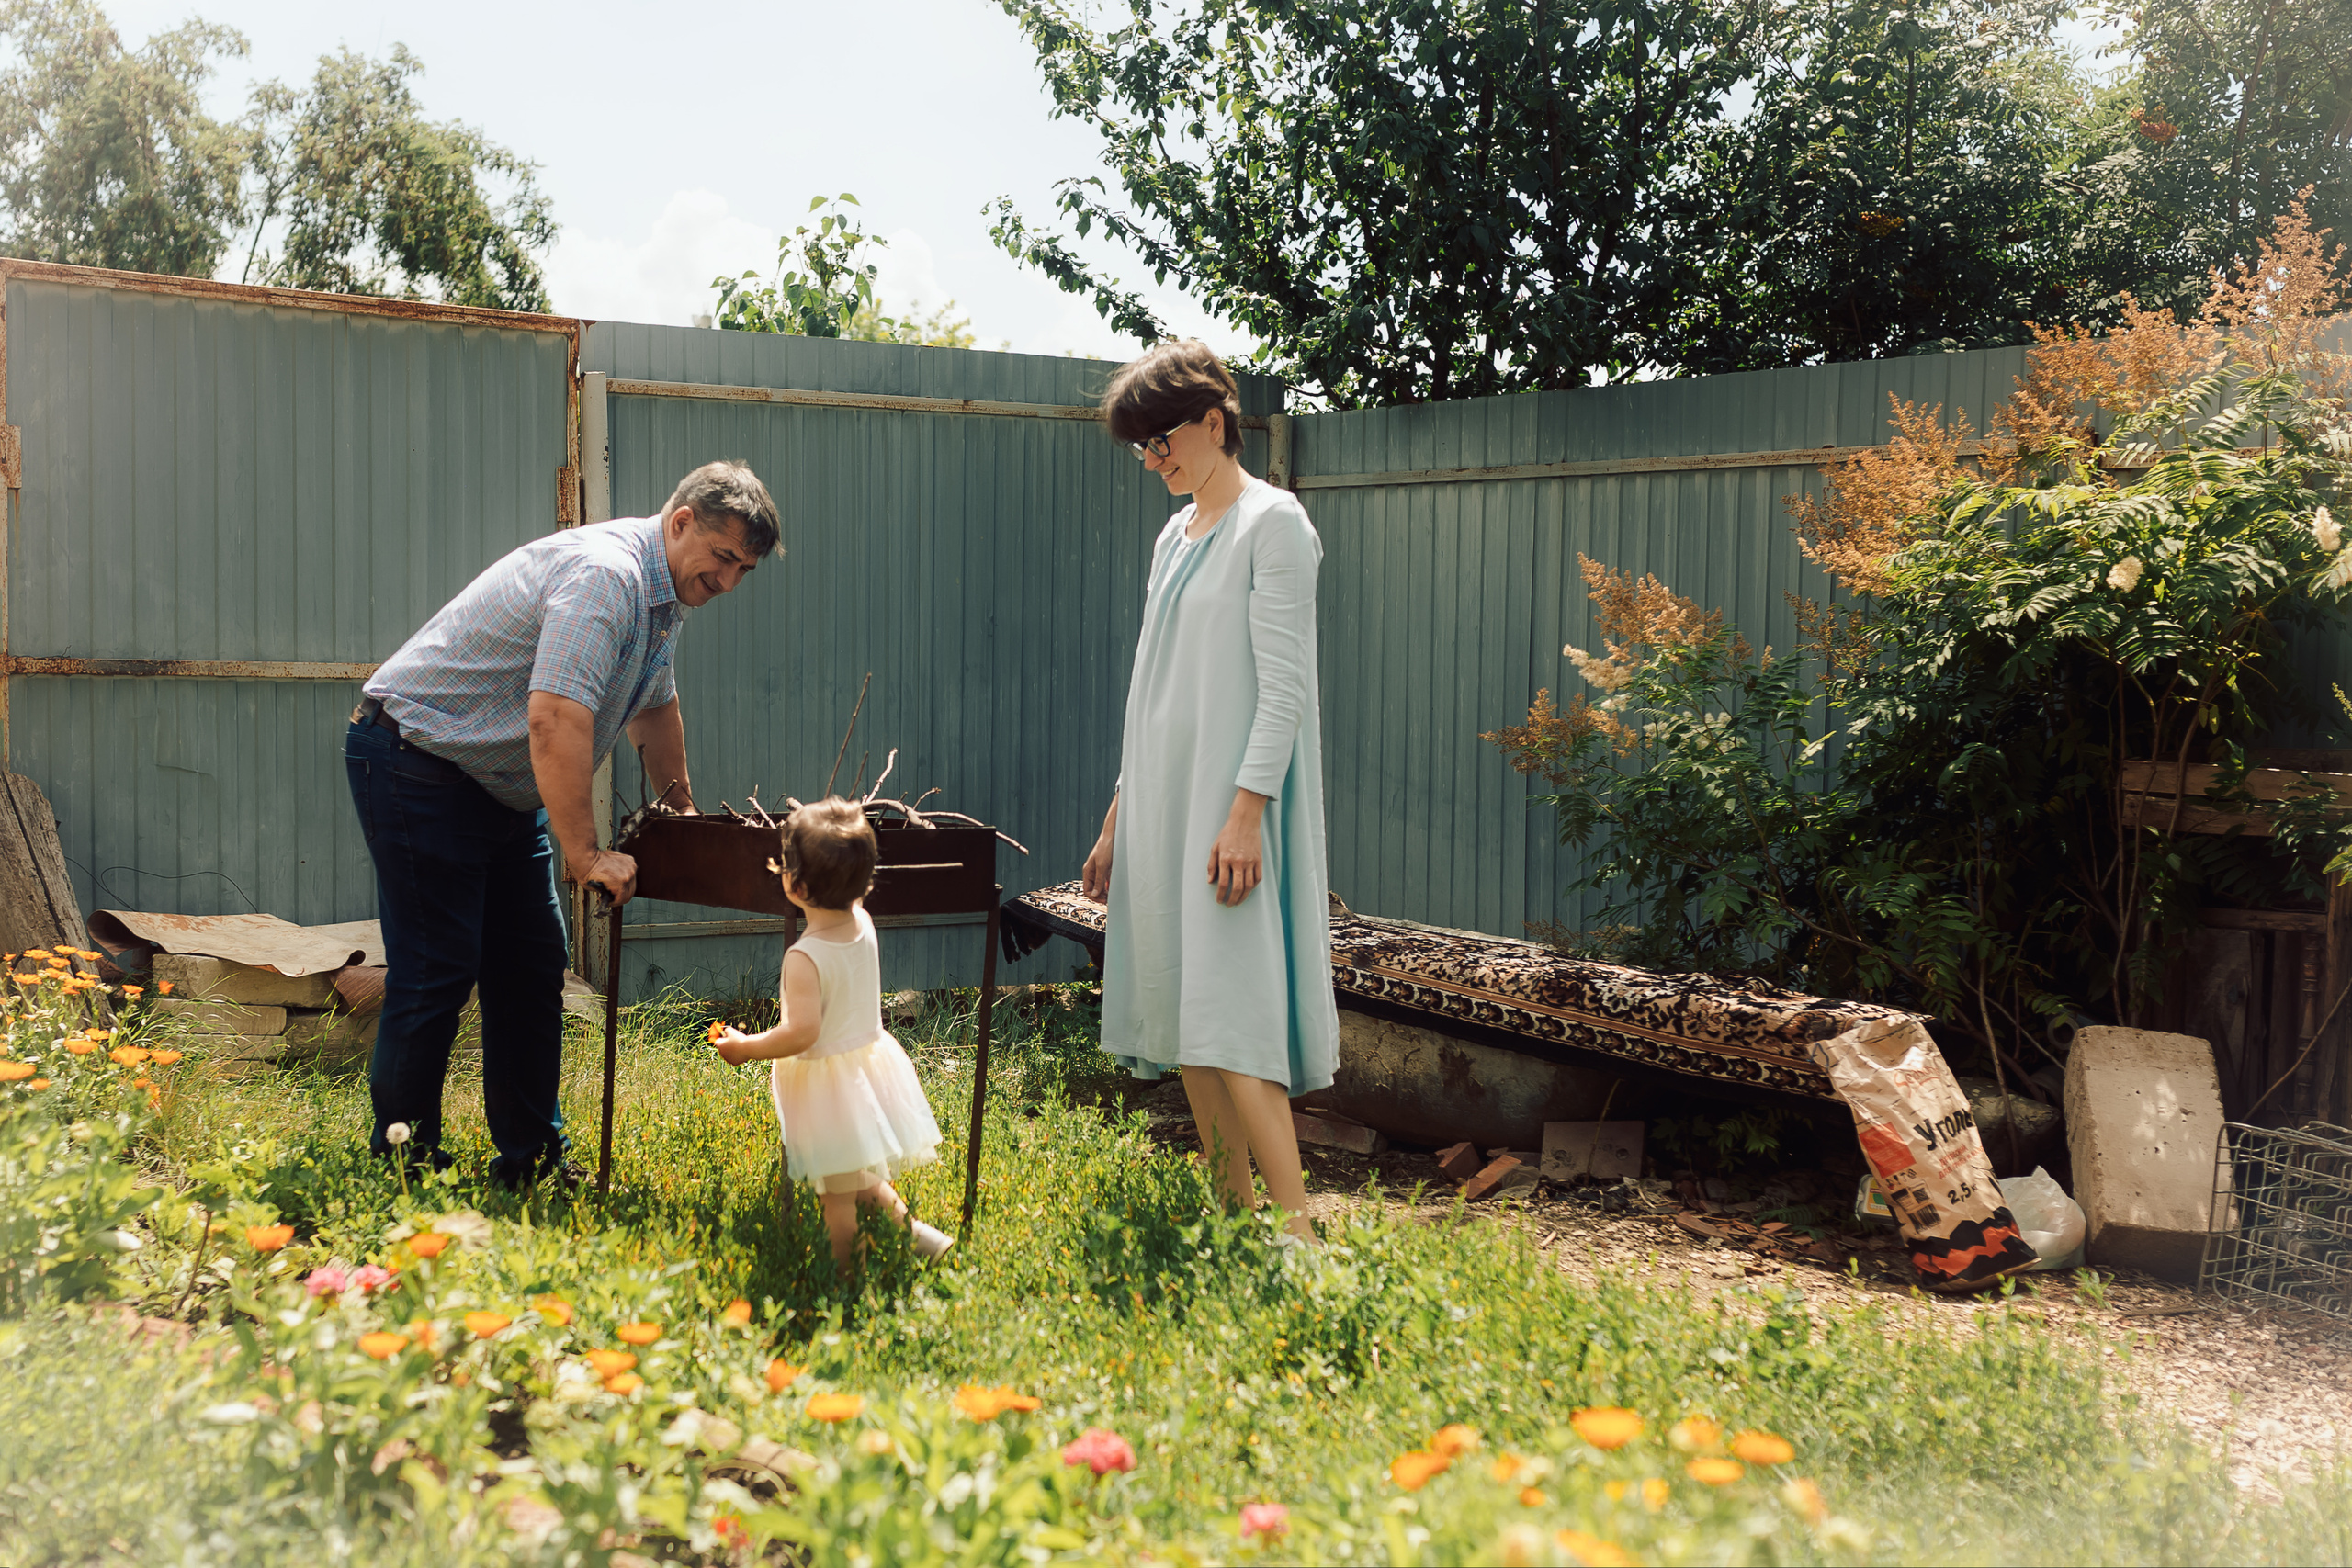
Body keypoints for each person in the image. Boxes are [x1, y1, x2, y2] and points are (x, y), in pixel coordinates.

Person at [345, 460, 778, 1188]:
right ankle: (405, 1166)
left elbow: (654, 708)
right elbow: (554, 719)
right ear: (681, 524)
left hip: (497, 787)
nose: (729, 582)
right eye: (724, 558)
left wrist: (682, 815)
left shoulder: (662, 599)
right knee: (438, 969)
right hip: (416, 758)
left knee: (530, 966)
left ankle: (532, 1160)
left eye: (746, 569)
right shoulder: (607, 578)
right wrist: (583, 852)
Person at [1080, 341, 1340, 1240]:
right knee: (1184, 1004)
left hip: (1229, 808)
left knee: (1232, 1009)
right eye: (1141, 449)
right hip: (1161, 801)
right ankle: (1233, 1212)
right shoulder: (1174, 531)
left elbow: (1286, 689)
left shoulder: (1273, 526)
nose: (1153, 461)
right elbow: (1151, 682)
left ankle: (1299, 1229)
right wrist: (1118, 819)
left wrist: (1244, 817)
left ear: (1212, 422)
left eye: (1162, 442)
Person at [712, 798, 954, 1269]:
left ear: (796, 885)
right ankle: (920, 1239)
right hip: (864, 1068)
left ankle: (849, 1280)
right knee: (858, 1176)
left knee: (836, 1199)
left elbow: (803, 1033)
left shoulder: (805, 957)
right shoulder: (861, 923)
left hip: (829, 1087)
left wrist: (746, 1048)